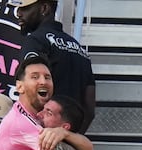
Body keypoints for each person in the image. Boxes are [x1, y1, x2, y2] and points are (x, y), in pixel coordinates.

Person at [9, 0, 96, 133]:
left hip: (41, 138)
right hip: (68, 139)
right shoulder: (79, 50)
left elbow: (32, 90)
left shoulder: (36, 41)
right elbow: (89, 109)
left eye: (25, 8)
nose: (19, 13)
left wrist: (38, 134)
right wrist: (71, 138)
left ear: (44, 8)